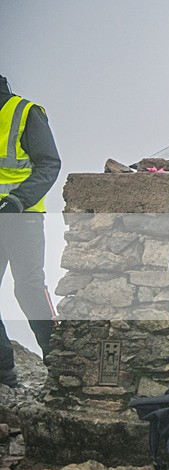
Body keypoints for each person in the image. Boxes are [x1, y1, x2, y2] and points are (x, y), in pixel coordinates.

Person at [0, 74, 61, 387]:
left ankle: (59, 364)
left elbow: (50, 163)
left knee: (28, 288)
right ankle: (5, 374)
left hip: (21, 217)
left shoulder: (25, 112)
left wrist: (18, 201)